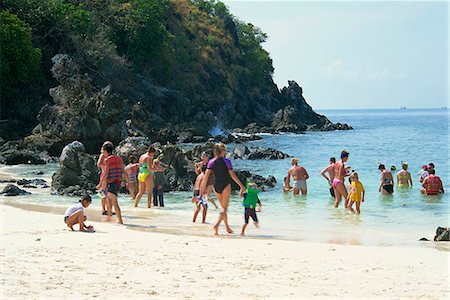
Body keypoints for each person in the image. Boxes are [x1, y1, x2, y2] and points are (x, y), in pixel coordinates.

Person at [201, 143, 245, 236]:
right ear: (222, 151)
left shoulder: (211, 162)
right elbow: (233, 176)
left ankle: (227, 227)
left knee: (223, 208)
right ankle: (216, 226)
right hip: (225, 185)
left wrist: (203, 188)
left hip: (216, 186)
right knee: (224, 209)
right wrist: (241, 186)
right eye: (224, 150)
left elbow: (206, 177)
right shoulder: (227, 161)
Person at [97, 141, 124, 224]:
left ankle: (120, 220)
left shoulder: (107, 160)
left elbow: (105, 173)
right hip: (117, 182)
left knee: (114, 202)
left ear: (105, 151)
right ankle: (109, 218)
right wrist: (127, 181)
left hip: (111, 183)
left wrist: (100, 184)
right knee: (109, 200)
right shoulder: (118, 158)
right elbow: (123, 170)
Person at [97, 148, 108, 215]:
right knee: (104, 193)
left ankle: (106, 209)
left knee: (105, 193)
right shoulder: (103, 155)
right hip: (104, 174)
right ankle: (104, 209)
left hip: (105, 174)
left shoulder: (104, 155)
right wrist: (105, 166)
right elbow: (99, 164)